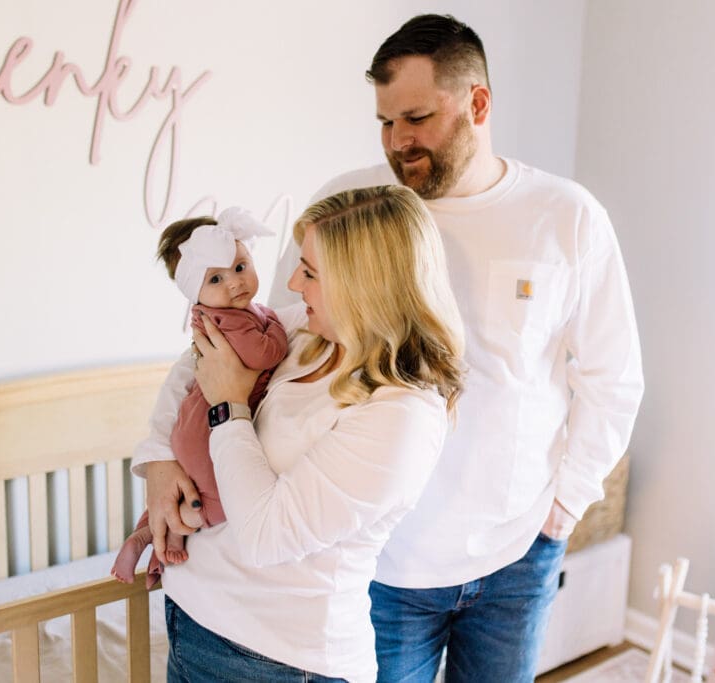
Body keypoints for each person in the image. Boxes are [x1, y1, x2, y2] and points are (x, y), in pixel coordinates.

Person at [267, 14, 645, 683]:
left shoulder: (566, 217)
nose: (398, 143)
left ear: (478, 102)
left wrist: (564, 508)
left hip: (514, 555)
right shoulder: (349, 210)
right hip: (382, 560)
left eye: (416, 118)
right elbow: (283, 344)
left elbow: (614, 377)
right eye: (385, 123)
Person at [132, 185, 466, 682]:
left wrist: (230, 405)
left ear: (363, 285)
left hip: (276, 659)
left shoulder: (401, 415)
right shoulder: (307, 332)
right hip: (193, 617)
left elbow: (266, 537)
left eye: (309, 272)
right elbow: (198, 356)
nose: (290, 281)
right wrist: (159, 459)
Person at [111, 206, 288, 587]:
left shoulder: (229, 315)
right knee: (218, 504)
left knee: (189, 490)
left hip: (197, 425)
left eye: (241, 267)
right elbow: (265, 354)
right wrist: (277, 325)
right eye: (216, 278)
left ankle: (150, 535)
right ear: (196, 291)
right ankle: (164, 533)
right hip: (206, 430)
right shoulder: (227, 320)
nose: (235, 283)